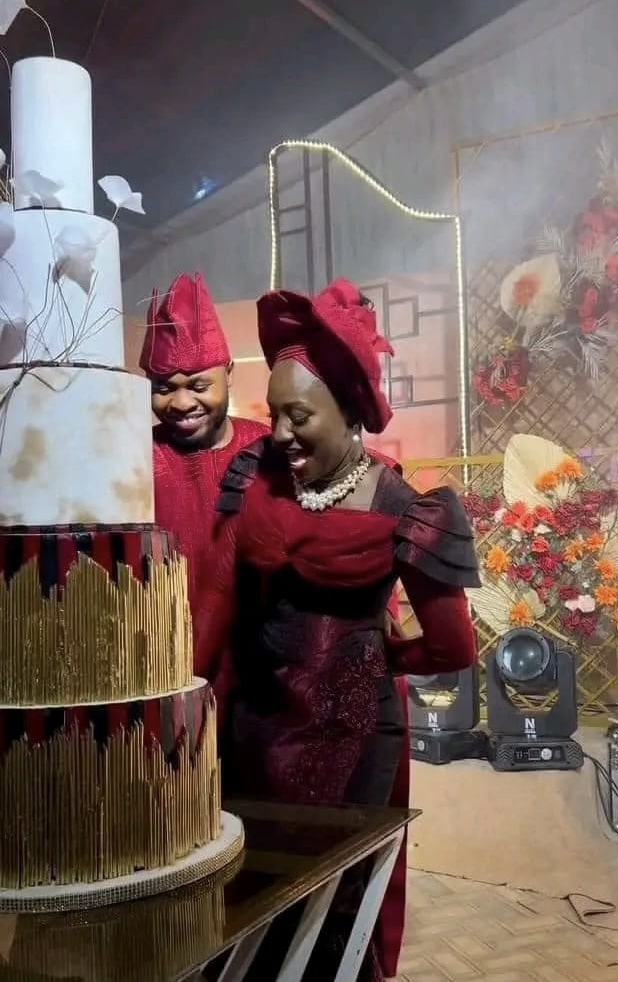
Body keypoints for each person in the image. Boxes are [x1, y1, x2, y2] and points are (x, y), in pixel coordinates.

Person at [196, 278, 480, 980]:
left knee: (334, 899)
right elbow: (215, 603)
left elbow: (454, 648)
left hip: (352, 742)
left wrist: (384, 654)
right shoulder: (254, 475)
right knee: (252, 887)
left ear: (350, 410)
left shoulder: (408, 509)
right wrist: (188, 705)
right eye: (273, 414)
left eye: (298, 415)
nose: (279, 433)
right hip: (253, 729)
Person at [140, 271, 269, 710]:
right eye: (163, 388)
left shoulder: (269, 451)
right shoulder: (132, 457)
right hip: (161, 672)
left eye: (198, 385)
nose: (180, 404)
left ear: (228, 374)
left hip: (259, 679)